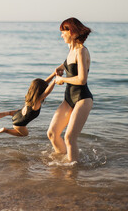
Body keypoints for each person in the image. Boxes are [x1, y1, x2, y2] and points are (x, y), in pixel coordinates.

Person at [47, 17, 93, 163]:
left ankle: (72, 172)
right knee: (53, 133)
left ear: (72, 32)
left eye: (63, 32)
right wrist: (61, 67)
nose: (61, 35)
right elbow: (70, 62)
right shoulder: (71, 49)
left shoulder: (82, 51)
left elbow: (81, 79)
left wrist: (63, 79)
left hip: (82, 98)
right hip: (69, 98)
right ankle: (63, 160)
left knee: (69, 137)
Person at [0, 72, 56, 137]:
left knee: (23, 112)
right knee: (25, 134)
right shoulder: (37, 101)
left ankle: (8, 113)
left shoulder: (29, 96)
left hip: (17, 115)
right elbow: (47, 92)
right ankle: (5, 130)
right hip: (19, 124)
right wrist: (54, 81)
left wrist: (54, 74)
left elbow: (43, 85)